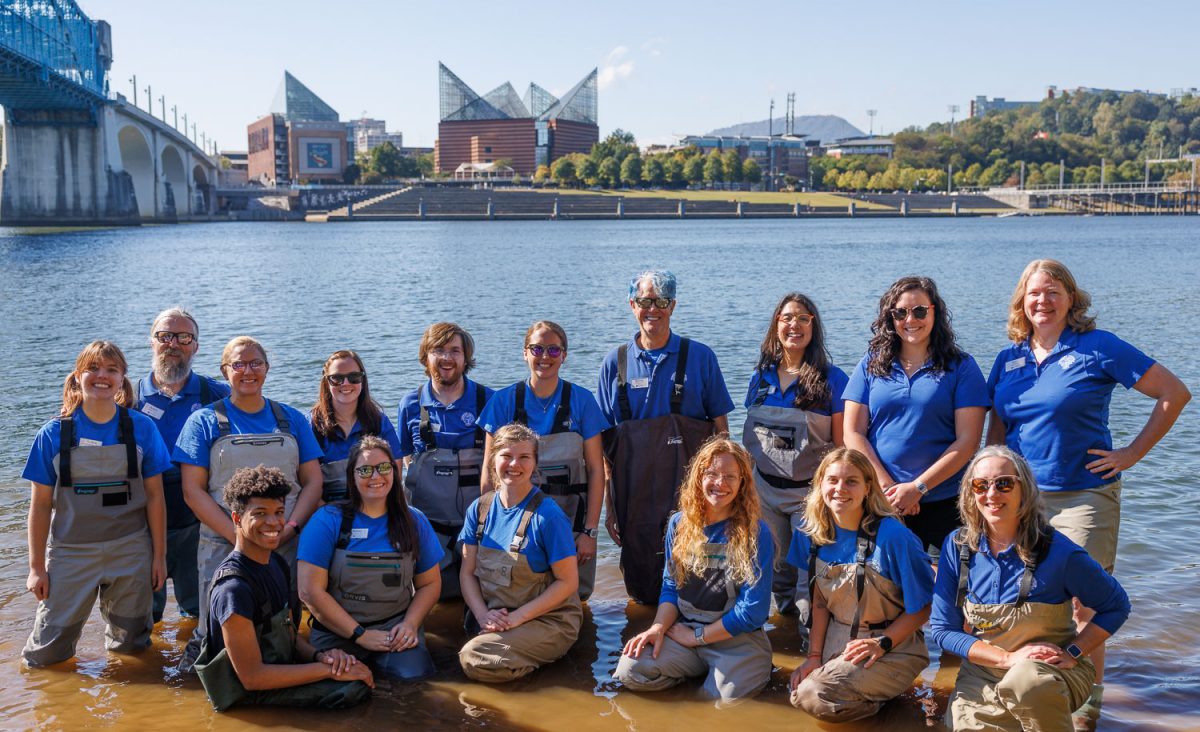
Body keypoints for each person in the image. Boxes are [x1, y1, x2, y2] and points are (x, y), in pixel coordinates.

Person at [986, 259, 1189, 721]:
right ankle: (1033, 692)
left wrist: (1130, 454)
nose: (1043, 300)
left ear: (1071, 299)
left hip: (1083, 496)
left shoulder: (1098, 347)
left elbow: (1173, 393)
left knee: (1085, 604)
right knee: (1027, 601)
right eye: (1034, 293)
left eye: (1053, 291)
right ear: (1022, 301)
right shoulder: (1008, 358)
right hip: (1021, 501)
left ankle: (1086, 709)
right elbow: (997, 430)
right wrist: (991, 489)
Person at [930, 446, 1131, 731]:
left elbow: (1117, 605)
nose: (991, 494)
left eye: (1004, 483)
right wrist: (1006, 658)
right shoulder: (957, 547)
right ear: (969, 493)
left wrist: (1074, 651)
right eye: (980, 485)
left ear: (1024, 489)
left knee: (1026, 680)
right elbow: (942, 630)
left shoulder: (1060, 552)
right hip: (985, 674)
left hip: (1051, 674)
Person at [173, 336, 324, 671]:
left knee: (282, 623)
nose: (248, 370)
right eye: (238, 364)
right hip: (223, 544)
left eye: (255, 363)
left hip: (283, 542)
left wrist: (290, 528)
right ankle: (210, 681)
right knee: (216, 626)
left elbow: (313, 482)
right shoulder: (203, 422)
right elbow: (192, 491)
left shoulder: (292, 419)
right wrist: (238, 536)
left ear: (267, 369)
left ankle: (280, 685)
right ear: (225, 371)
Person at [22, 341, 170, 667]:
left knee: (132, 650)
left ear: (122, 379)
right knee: (46, 655)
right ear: (78, 376)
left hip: (131, 549)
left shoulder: (142, 428)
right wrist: (36, 568)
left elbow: (156, 497)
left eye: (111, 370)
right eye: (93, 368)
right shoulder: (53, 434)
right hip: (70, 553)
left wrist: (158, 556)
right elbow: (41, 505)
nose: (102, 376)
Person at [597, 269, 734, 604]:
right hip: (634, 495)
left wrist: (728, 499)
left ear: (673, 306)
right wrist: (610, 509)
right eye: (645, 301)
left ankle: (697, 637)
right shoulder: (614, 363)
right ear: (632, 304)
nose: (652, 309)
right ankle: (642, 637)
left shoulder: (700, 357)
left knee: (699, 582)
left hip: (691, 491)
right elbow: (603, 446)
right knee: (643, 587)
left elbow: (722, 434)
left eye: (661, 301)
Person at [194, 465, 373, 711]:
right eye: (260, 513)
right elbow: (252, 678)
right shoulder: (233, 590)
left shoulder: (276, 562)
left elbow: (289, 637)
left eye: (279, 512)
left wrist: (324, 657)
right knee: (353, 690)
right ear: (236, 518)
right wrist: (328, 671)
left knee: (354, 669)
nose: (273, 522)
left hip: (277, 674)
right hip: (247, 694)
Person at [614, 438, 773, 705]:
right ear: (698, 477)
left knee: (721, 706)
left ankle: (741, 670)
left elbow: (753, 612)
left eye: (730, 477)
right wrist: (657, 628)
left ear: (743, 483)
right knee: (630, 670)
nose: (720, 484)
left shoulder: (756, 532)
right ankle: (693, 673)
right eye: (712, 474)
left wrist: (697, 638)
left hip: (735, 639)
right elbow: (670, 586)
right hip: (685, 629)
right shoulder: (679, 523)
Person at [843, 275, 989, 557]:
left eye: (920, 310)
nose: (911, 319)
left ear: (935, 312)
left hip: (944, 500)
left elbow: (968, 440)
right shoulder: (871, 364)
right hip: (881, 501)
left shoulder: (962, 367)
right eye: (901, 312)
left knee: (941, 588)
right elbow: (853, 433)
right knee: (882, 588)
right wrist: (890, 488)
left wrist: (918, 488)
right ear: (890, 317)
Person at [787, 447, 933, 722]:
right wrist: (814, 656)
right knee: (796, 693)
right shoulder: (811, 531)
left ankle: (887, 712)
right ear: (820, 484)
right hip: (839, 634)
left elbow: (924, 607)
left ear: (868, 487)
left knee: (813, 695)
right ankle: (871, 698)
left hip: (892, 644)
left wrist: (882, 643)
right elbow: (818, 601)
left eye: (851, 481)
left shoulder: (893, 536)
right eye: (832, 480)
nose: (840, 489)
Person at [478, 321, 610, 600]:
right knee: (516, 596)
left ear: (564, 355)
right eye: (537, 348)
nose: (545, 357)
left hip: (572, 524)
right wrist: (491, 527)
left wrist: (590, 532)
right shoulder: (502, 402)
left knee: (574, 599)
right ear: (525, 353)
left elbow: (598, 471)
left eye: (553, 350)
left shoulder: (583, 401)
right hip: (517, 526)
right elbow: (489, 474)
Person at [297, 436, 443, 681]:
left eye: (383, 468)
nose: (375, 476)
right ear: (351, 477)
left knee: (413, 680)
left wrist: (409, 625)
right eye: (364, 470)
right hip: (337, 634)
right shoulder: (328, 520)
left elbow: (430, 584)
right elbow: (309, 591)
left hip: (392, 630)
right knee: (340, 692)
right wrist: (360, 635)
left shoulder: (414, 520)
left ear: (395, 472)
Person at [743, 293, 848, 619]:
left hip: (809, 493)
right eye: (787, 317)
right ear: (776, 325)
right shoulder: (760, 377)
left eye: (804, 318)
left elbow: (843, 449)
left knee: (810, 577)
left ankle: (810, 646)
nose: (795, 325)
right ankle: (785, 641)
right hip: (765, 492)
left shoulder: (833, 380)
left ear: (814, 327)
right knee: (776, 574)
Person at [458, 423, 581, 682]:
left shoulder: (549, 516)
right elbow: (467, 573)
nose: (514, 464)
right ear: (493, 460)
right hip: (496, 616)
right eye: (506, 456)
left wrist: (515, 620)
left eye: (524, 457)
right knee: (471, 646)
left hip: (549, 621)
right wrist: (482, 614)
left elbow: (568, 582)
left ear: (535, 463)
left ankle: (539, 675)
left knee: (472, 656)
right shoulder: (478, 510)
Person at [135, 307, 230, 623]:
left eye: (184, 337)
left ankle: (192, 669)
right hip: (141, 523)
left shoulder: (216, 395)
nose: (173, 343)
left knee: (200, 613)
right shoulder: (128, 397)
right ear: (152, 342)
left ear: (196, 346)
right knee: (140, 619)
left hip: (198, 521)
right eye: (165, 336)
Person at [397, 322, 494, 600]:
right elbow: (402, 463)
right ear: (426, 357)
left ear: (466, 358)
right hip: (430, 529)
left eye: (455, 350)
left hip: (478, 526)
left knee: (483, 595)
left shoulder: (488, 400)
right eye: (438, 350)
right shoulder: (410, 404)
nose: (447, 358)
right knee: (437, 597)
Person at [308, 350, 402, 503]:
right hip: (325, 511)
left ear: (362, 380)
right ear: (326, 381)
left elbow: (394, 479)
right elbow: (305, 483)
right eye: (337, 378)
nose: (346, 383)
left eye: (354, 377)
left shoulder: (379, 422)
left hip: (374, 508)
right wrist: (331, 519)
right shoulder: (310, 425)